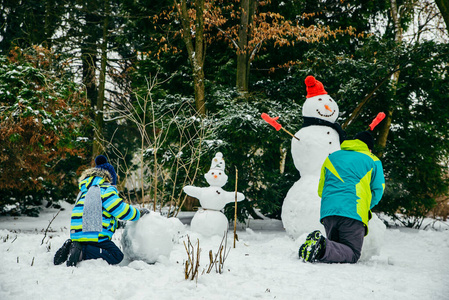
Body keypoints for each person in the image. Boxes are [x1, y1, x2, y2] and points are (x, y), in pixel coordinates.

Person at [299, 131, 385, 263]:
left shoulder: (332, 157)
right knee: (352, 253)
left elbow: (321, 190)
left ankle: (318, 246)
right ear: (369, 148)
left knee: (336, 250)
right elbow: (378, 190)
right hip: (353, 212)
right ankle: (320, 246)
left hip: (328, 212)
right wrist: (364, 207)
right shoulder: (373, 159)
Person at [53, 155, 148, 267]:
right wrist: (137, 213)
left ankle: (72, 246)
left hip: (78, 235)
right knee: (116, 255)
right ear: (109, 179)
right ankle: (81, 252)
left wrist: (117, 224)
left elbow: (97, 215)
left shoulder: (84, 192)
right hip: (95, 236)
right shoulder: (105, 190)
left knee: (100, 249)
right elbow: (120, 209)